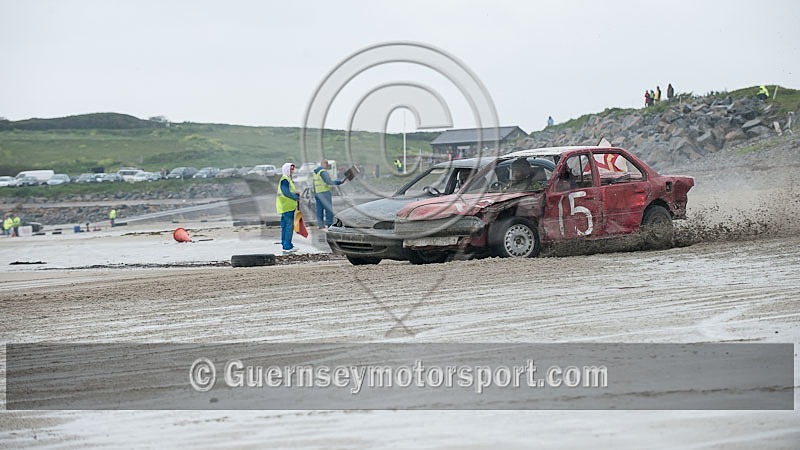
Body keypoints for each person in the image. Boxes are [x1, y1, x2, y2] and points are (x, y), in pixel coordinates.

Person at [313, 160, 345, 229]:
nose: (327, 166)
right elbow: (328, 182)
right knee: (328, 209)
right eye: (327, 164)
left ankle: (320, 224)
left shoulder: (316, 173)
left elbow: (314, 184)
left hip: (318, 193)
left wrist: (315, 193)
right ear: (324, 164)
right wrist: (339, 182)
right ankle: (329, 224)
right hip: (325, 193)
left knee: (319, 210)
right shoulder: (323, 172)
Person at [276, 162, 300, 254]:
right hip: (287, 207)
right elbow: (286, 192)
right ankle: (287, 246)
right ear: (286, 170)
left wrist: (295, 193)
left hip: (286, 206)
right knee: (289, 227)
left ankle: (285, 244)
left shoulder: (287, 179)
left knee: (285, 226)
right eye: (291, 169)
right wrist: (296, 197)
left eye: (293, 169)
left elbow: (289, 191)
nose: (292, 171)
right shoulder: (285, 180)